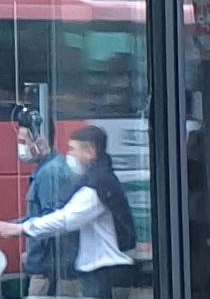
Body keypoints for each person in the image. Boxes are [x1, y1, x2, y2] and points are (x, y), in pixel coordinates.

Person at [17, 122, 142, 285]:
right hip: (103, 271)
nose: (70, 155)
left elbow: (65, 219)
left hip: (102, 273)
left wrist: (20, 228)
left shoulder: (95, 186)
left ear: (90, 151)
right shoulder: (100, 177)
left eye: (72, 149)